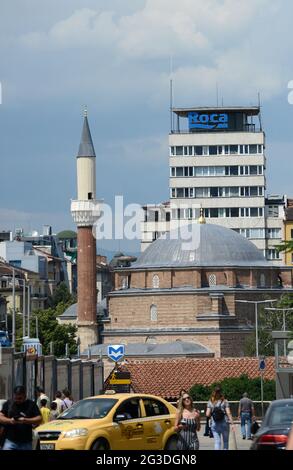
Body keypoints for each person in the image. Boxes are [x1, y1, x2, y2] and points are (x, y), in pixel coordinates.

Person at [0, 385, 42, 450]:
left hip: (26, 442)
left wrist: (25, 420)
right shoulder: (9, 403)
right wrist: (10, 420)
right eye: (16, 398)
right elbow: (1, 417)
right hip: (10, 441)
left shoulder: (31, 404)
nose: (17, 400)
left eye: (20, 398)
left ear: (25, 396)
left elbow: (39, 418)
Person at [206, 386, 235, 450]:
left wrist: (212, 415)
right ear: (221, 392)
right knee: (225, 441)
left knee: (217, 442)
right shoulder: (225, 401)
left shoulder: (210, 401)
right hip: (224, 422)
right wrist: (232, 424)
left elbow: (207, 414)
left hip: (214, 423)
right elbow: (228, 413)